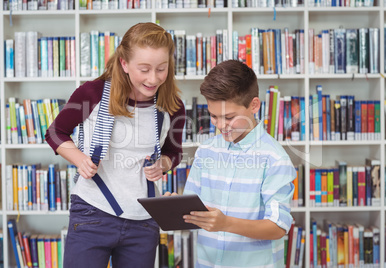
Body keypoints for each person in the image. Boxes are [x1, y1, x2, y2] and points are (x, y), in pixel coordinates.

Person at [45, 22, 185, 268]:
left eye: (161, 69)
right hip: (92, 213)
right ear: (124, 64)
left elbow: (174, 153)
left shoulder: (172, 106)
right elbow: (56, 132)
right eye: (144, 69)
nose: (154, 78)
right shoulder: (93, 93)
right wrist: (79, 159)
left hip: (144, 219)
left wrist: (163, 164)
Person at [182, 60, 296, 267]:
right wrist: (175, 207)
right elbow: (193, 209)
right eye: (214, 116)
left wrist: (226, 224)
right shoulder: (206, 151)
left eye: (230, 117)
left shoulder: (274, 159)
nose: (221, 125)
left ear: (254, 105)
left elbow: (278, 228)